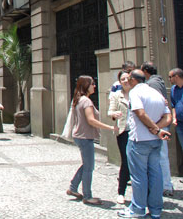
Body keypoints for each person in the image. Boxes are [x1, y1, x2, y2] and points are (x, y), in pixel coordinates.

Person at [118, 70, 171, 219]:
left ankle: (138, 209)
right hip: (155, 141)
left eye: (129, 79)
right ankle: (155, 210)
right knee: (155, 174)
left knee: (139, 176)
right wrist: (157, 129)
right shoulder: (156, 93)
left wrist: (153, 129)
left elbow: (140, 113)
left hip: (139, 140)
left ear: (133, 80)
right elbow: (168, 116)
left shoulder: (136, 93)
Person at [67, 75, 117, 205]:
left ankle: (73, 188)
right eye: (92, 83)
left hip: (80, 136)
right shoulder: (86, 101)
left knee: (86, 165)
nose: (94, 86)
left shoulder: (79, 99)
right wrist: (109, 127)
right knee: (89, 167)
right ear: (86, 85)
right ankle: (87, 196)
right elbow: (91, 120)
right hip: (85, 137)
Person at [141, 61, 174, 196]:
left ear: (145, 72)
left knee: (161, 155)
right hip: (159, 124)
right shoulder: (158, 81)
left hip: (157, 125)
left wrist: (154, 127)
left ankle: (166, 185)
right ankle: (165, 184)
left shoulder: (151, 85)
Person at [108, 71, 131, 204]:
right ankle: (121, 192)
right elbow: (110, 111)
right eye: (123, 79)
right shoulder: (117, 95)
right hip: (123, 132)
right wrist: (114, 114)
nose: (126, 81)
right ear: (120, 82)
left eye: (128, 78)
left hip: (137, 132)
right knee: (126, 161)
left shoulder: (136, 93)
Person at [169, 68, 183, 153]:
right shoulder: (173, 89)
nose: (169, 79)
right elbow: (173, 105)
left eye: (170, 77)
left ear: (176, 77)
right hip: (179, 123)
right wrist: (174, 118)